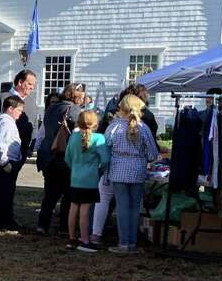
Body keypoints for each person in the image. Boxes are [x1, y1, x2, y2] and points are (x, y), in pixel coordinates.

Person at [104, 94, 160, 254]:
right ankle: (132, 243)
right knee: (135, 207)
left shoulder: (114, 126)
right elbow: (152, 154)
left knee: (122, 207)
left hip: (118, 169)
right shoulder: (143, 128)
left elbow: (105, 147)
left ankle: (123, 243)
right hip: (137, 170)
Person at [36, 83, 85, 236]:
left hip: (48, 155)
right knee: (68, 194)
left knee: (50, 194)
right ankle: (64, 226)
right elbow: (80, 134)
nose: (83, 99)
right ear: (76, 96)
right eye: (82, 96)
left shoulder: (51, 108)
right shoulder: (75, 110)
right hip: (64, 156)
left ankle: (42, 225)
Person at [63, 110, 108, 253]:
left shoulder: (73, 137)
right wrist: (98, 170)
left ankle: (71, 238)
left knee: (73, 208)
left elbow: (67, 158)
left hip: (75, 178)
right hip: (90, 179)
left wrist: (75, 168)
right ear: (96, 123)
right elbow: (105, 160)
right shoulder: (99, 138)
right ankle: (84, 240)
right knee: (85, 210)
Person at [0, 95, 25, 232]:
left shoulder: (6, 121)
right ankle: (2, 223)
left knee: (4, 192)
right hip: (4, 162)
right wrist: (5, 163)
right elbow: (0, 143)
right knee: (4, 194)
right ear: (11, 109)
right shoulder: (6, 122)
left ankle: (2, 221)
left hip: (3, 161)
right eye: (19, 110)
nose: (21, 113)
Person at [0, 70, 36, 153]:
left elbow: (34, 126)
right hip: (4, 151)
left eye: (33, 85)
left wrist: (31, 146)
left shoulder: (32, 103)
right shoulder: (2, 98)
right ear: (20, 82)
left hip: (23, 151)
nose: (32, 88)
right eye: (29, 84)